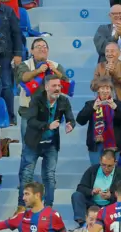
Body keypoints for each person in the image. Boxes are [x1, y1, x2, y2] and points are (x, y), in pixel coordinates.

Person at [19, 75, 75, 212]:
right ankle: (22, 207)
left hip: (51, 144)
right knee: (27, 174)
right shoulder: (36, 99)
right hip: (33, 143)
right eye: (54, 86)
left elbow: (71, 118)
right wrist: (47, 126)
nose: (57, 89)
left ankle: (48, 208)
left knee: (49, 176)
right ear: (46, 87)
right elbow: (31, 121)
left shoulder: (63, 101)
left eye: (59, 86)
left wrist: (70, 125)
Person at [76, 77, 121, 165]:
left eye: (107, 88)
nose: (105, 91)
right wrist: (92, 109)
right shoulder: (90, 104)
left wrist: (115, 108)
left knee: (111, 171)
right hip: (96, 144)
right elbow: (80, 120)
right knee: (96, 169)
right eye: (102, 88)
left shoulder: (118, 104)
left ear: (111, 90)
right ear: (98, 90)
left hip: (113, 144)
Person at [71, 150, 121, 226]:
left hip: (111, 205)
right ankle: (83, 224)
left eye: (109, 166)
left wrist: (111, 196)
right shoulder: (92, 170)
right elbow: (80, 188)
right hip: (92, 204)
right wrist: (91, 191)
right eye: (103, 165)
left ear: (115, 163)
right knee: (76, 195)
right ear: (100, 161)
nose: (106, 168)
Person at [92, 42, 121, 107]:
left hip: (120, 103)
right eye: (107, 51)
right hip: (103, 103)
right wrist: (105, 77)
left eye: (112, 51)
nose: (109, 54)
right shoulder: (100, 66)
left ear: (119, 53)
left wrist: (115, 73)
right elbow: (93, 87)